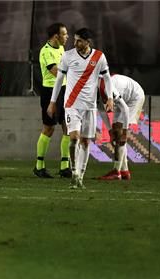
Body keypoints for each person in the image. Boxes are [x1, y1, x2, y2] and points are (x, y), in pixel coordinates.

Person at [47, 28, 114, 189]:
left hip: (90, 106)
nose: (75, 43)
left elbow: (107, 78)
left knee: (85, 142)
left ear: (87, 42)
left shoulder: (99, 57)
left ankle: (80, 177)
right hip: (71, 104)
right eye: (75, 40)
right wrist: (52, 101)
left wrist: (110, 98)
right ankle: (74, 172)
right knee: (74, 138)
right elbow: (59, 80)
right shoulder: (68, 56)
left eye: (79, 41)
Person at [34, 23, 71, 179]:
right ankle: (39, 166)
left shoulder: (61, 49)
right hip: (50, 93)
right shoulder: (46, 51)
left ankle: (65, 166)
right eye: (64, 34)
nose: (67, 36)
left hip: (64, 91)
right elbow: (57, 73)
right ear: (56, 36)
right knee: (49, 129)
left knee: (68, 127)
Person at [97, 74, 145, 180]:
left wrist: (125, 132)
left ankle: (116, 171)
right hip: (123, 98)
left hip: (134, 97)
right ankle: (124, 171)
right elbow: (101, 110)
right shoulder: (92, 90)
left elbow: (125, 109)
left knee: (119, 133)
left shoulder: (107, 88)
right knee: (115, 131)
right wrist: (110, 131)